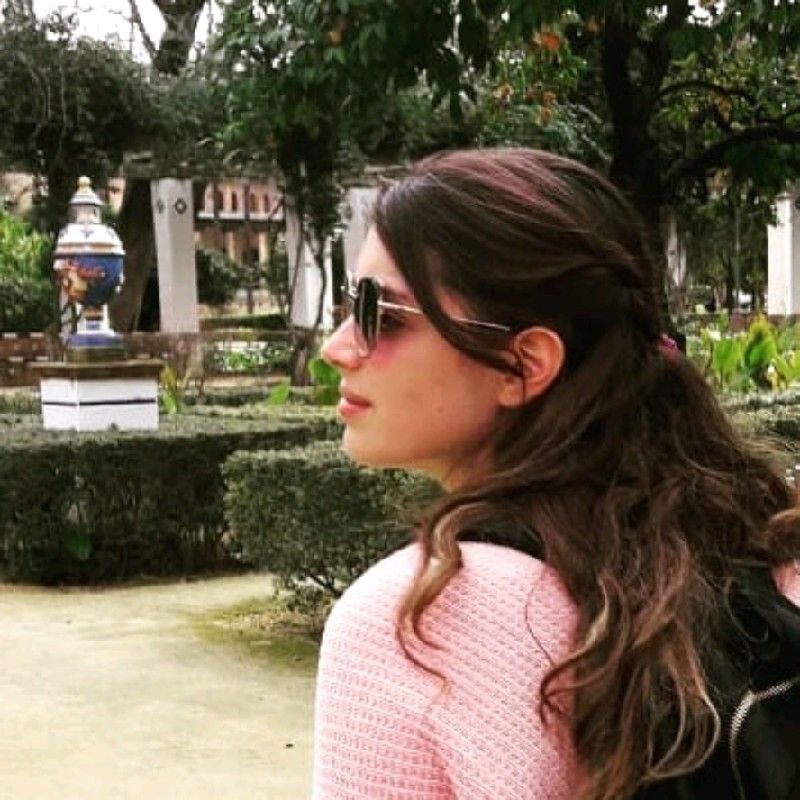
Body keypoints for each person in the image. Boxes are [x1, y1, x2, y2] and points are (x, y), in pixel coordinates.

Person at [313, 148, 800, 800]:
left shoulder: (417, 624)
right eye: (351, 305)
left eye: (384, 315)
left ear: (524, 365)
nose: (337, 347)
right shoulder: (763, 552)